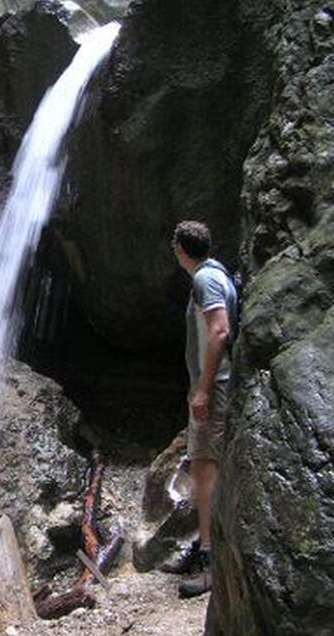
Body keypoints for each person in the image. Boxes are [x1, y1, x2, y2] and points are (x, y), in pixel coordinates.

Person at [170, 220, 238, 598]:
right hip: (218, 385)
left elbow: (219, 331)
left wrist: (203, 389)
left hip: (217, 386)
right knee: (201, 463)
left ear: (181, 249)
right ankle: (204, 544)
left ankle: (211, 563)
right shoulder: (218, 274)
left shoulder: (205, 281)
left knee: (206, 466)